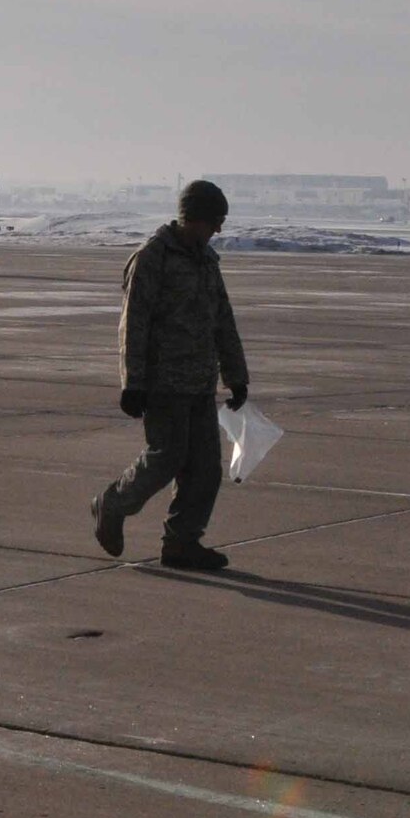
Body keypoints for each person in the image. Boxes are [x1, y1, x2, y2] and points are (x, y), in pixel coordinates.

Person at [92, 180, 249, 571]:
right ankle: (112, 504)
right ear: (193, 217)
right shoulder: (153, 258)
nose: (218, 229)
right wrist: (133, 383)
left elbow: (223, 320)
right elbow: (134, 323)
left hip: (200, 384)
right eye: (214, 221)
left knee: (206, 470)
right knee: (166, 458)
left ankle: (182, 542)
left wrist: (236, 375)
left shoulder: (206, 261)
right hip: (163, 383)